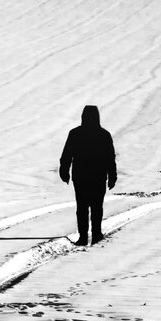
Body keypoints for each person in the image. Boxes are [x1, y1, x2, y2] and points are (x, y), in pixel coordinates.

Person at [59, 105, 117, 246]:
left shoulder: (75, 134)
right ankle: (96, 234)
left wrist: (64, 171)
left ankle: (84, 237)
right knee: (97, 207)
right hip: (98, 176)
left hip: (81, 177)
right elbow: (110, 158)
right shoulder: (104, 135)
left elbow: (67, 155)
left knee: (82, 208)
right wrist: (112, 176)